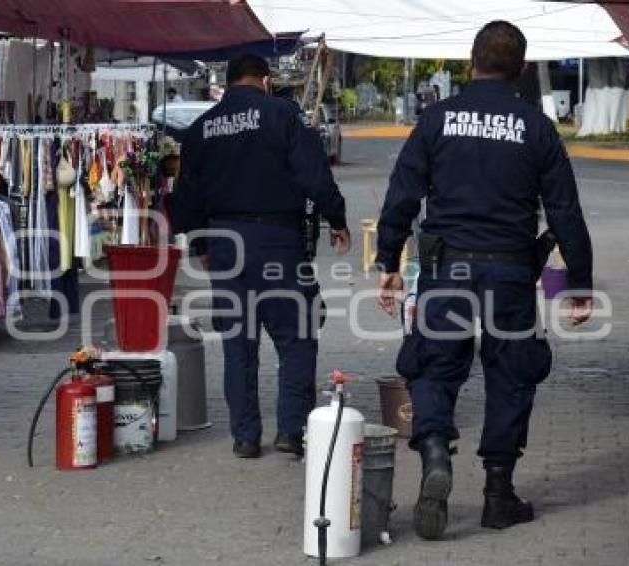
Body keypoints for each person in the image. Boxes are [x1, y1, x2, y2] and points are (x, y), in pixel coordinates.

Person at [375, 21, 593, 540]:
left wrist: (388, 261)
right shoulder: (535, 126)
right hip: (511, 271)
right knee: (511, 372)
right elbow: (565, 210)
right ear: (520, 68)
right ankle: (498, 494)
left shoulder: (437, 119)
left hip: (445, 267)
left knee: (433, 363)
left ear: (470, 61)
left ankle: (433, 453)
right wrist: (579, 284)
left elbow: (403, 192)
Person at [171, 54, 351, 459]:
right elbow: (313, 173)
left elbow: (186, 197)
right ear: (266, 82)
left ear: (228, 83)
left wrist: (200, 245)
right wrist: (336, 217)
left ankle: (245, 436)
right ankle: (291, 430)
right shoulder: (282, 115)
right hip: (277, 240)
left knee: (238, 343)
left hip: (225, 243)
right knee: (296, 337)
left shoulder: (201, 130)